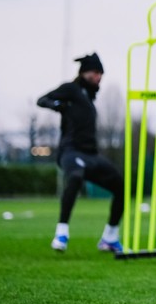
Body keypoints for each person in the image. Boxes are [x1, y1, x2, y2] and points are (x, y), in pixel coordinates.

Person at [36, 53, 123, 253]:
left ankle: (110, 237)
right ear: (84, 72)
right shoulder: (71, 89)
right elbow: (42, 100)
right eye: (96, 72)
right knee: (75, 177)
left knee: (120, 184)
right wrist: (57, 105)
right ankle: (62, 232)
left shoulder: (89, 97)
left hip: (91, 155)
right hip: (70, 152)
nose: (99, 77)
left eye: (101, 73)